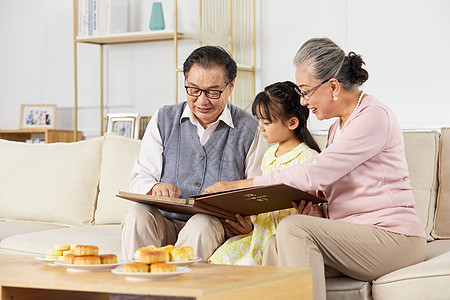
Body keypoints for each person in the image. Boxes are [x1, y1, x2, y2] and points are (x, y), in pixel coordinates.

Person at [204, 38, 427, 300]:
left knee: (293, 228)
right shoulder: (337, 128)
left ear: (333, 86)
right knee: (275, 244)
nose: (305, 102)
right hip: (355, 236)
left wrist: (238, 185)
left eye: (306, 91)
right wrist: (318, 212)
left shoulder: (373, 116)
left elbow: (317, 172)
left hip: (394, 238)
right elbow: (333, 191)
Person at [121, 45, 266, 261]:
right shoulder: (163, 119)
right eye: (194, 89)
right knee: (137, 215)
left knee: (202, 223)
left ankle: (182, 293)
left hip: (211, 227)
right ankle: (137, 288)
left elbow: (256, 187)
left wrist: (249, 221)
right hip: (164, 222)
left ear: (230, 87)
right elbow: (140, 177)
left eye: (213, 91)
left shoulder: (251, 129)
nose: (202, 100)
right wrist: (155, 187)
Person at [208, 81, 320, 265]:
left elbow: (311, 207)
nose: (260, 127)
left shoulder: (308, 157)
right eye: (259, 120)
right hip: (257, 235)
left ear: (292, 123)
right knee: (218, 260)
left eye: (266, 122)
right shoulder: (269, 155)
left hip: (282, 238)